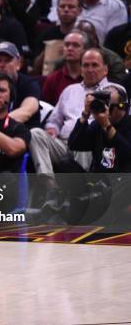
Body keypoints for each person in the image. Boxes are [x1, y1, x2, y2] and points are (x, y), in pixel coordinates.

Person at [29, 48, 110, 207]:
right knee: (35, 133)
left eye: (95, 65)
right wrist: (52, 128)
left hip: (95, 146)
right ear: (81, 69)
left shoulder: (113, 91)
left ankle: (83, 193)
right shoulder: (70, 91)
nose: (90, 69)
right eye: (86, 65)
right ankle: (51, 190)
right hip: (64, 144)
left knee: (83, 135)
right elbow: (54, 120)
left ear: (105, 69)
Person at [68, 84, 131, 173]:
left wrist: (108, 126)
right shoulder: (98, 125)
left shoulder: (128, 124)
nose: (104, 109)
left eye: (108, 105)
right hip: (97, 180)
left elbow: (127, 154)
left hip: (122, 180)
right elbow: (74, 144)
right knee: (65, 165)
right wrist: (85, 114)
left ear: (121, 107)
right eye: (101, 104)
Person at [0, 41, 41, 128]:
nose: (2, 65)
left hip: (26, 133)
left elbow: (27, 111)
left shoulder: (29, 84)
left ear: (19, 63)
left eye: (7, 60)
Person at [41, 31, 86, 105]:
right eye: (67, 45)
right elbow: (46, 108)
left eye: (75, 45)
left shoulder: (92, 77)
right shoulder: (52, 79)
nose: (70, 48)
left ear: (85, 50)